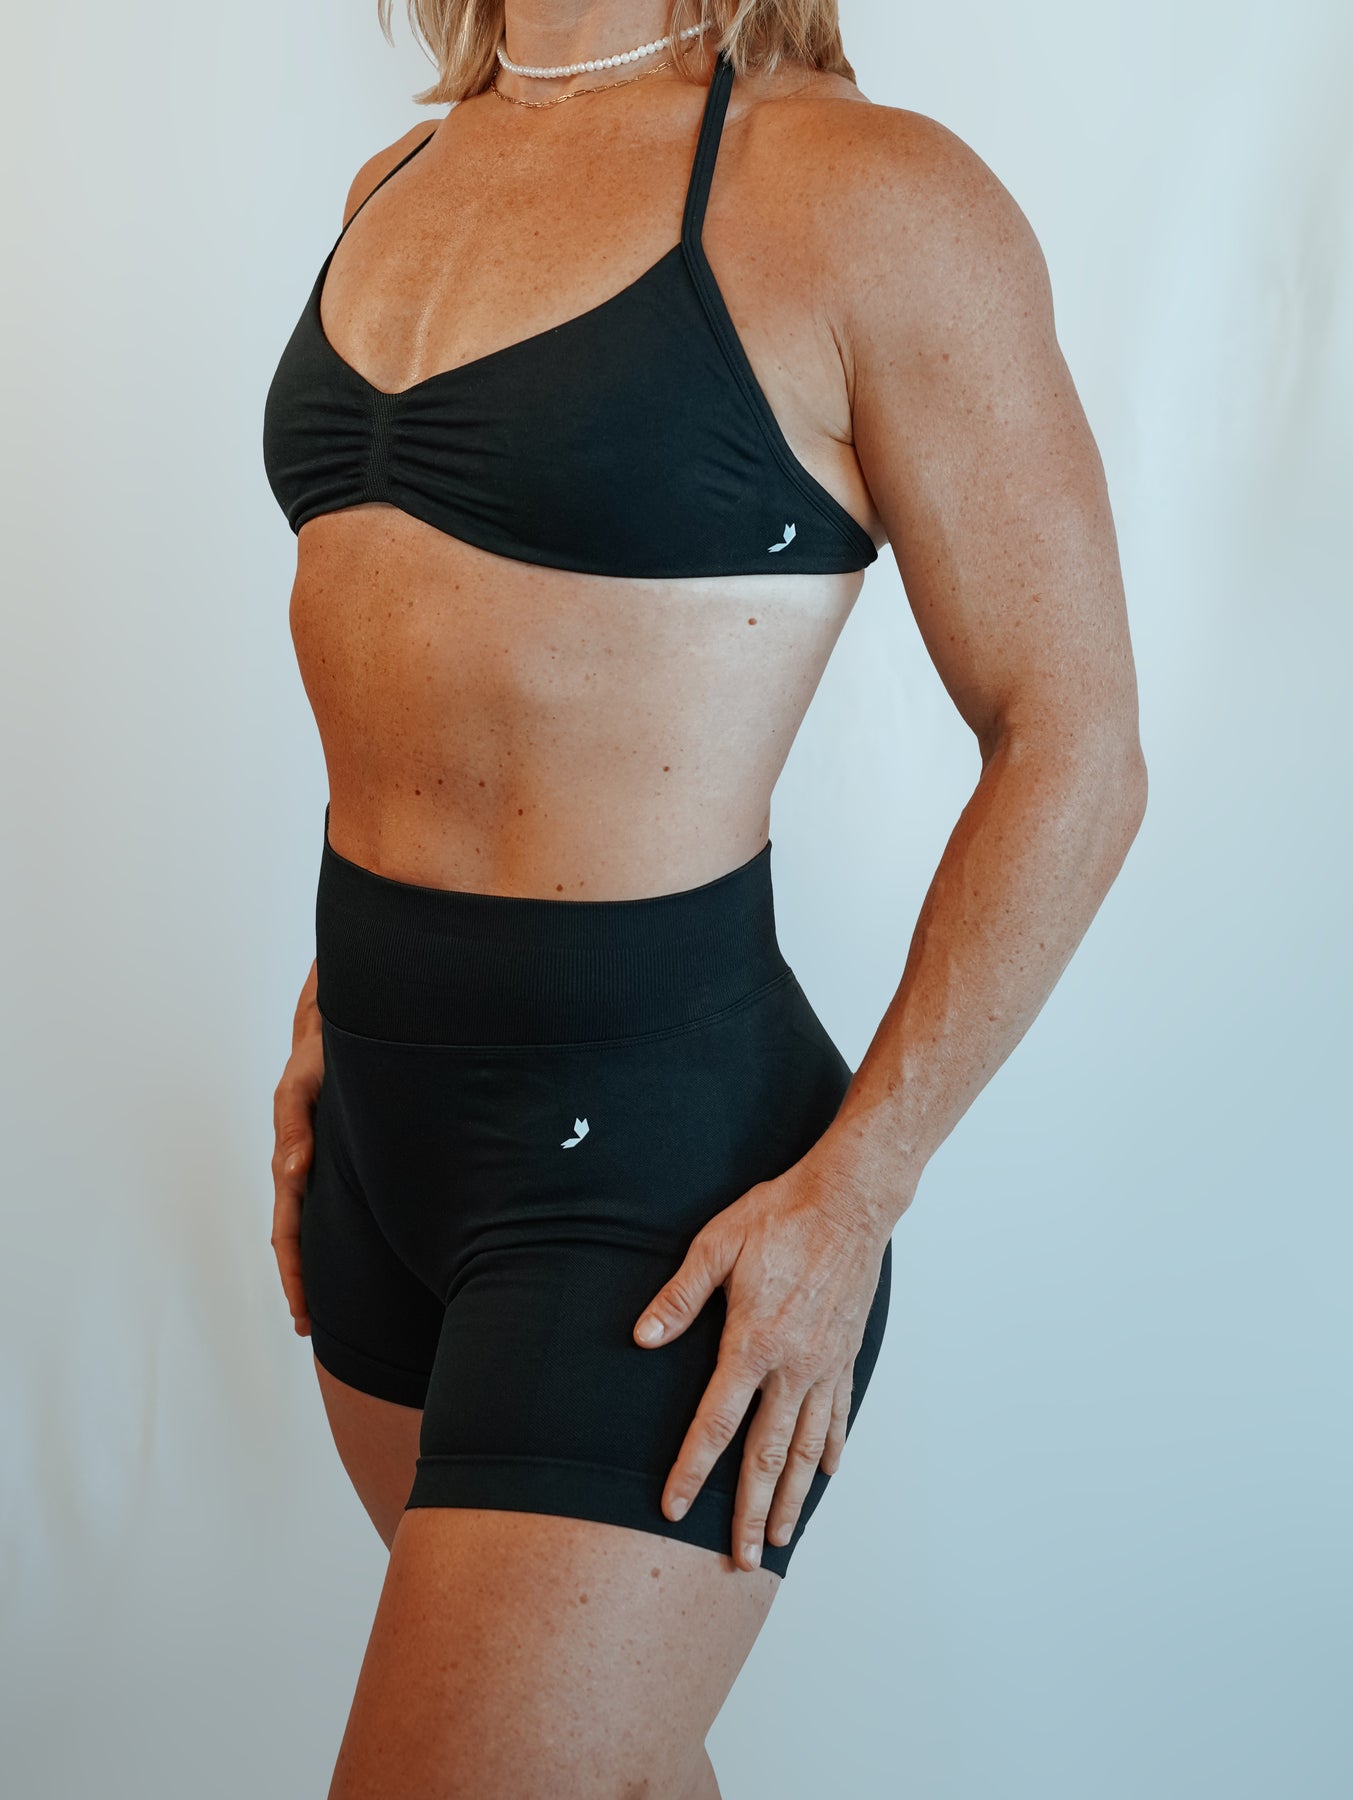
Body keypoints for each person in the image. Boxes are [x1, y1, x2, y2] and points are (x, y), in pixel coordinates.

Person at [263, 3, 1146, 1794]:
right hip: (377, 1134)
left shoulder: (865, 195)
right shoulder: (401, 175)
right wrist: (325, 1007)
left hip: (659, 1200)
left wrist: (857, 1191)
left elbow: (1072, 745)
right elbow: (409, 644)